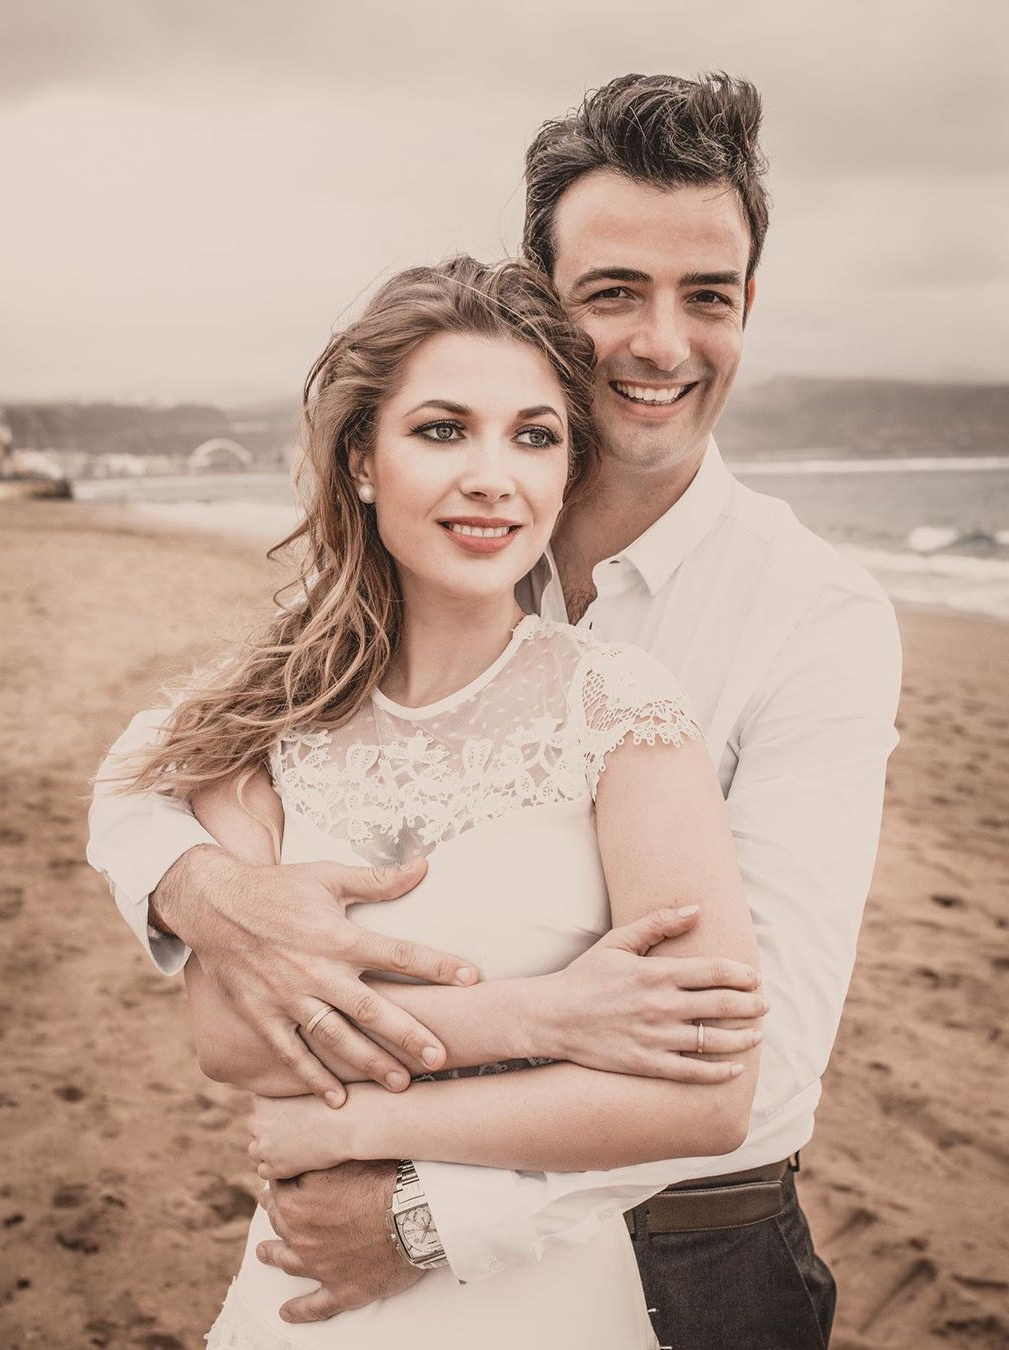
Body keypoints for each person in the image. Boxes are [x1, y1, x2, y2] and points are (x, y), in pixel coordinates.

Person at [88, 73, 902, 1349]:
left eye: (710, 297)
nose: (663, 345)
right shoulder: (432, 539)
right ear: (542, 299)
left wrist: (409, 1189)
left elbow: (750, 1051)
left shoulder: (817, 615)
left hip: (692, 1253)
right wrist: (202, 889)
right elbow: (157, 761)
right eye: (614, 291)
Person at [110, 255, 765, 1348]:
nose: (493, 477)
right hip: (299, 1305)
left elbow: (707, 1097)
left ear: (567, 473)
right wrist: (539, 1018)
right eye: (443, 430)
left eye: (535, 435)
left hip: (545, 1304)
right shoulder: (265, 721)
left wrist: (357, 1117)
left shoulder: (622, 713)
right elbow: (230, 1038)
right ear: (363, 458)